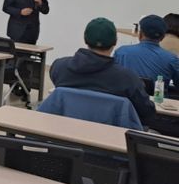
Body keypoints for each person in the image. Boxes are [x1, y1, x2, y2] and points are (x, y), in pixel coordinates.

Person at [51, 17, 179, 136]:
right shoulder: (128, 78)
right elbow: (147, 113)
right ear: (115, 42)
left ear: (85, 38)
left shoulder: (58, 67)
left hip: (66, 133)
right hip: (112, 137)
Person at [114, 14, 179, 87]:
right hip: (156, 94)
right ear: (162, 37)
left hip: (123, 94)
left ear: (140, 34)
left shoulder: (121, 52)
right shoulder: (171, 59)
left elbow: (113, 78)